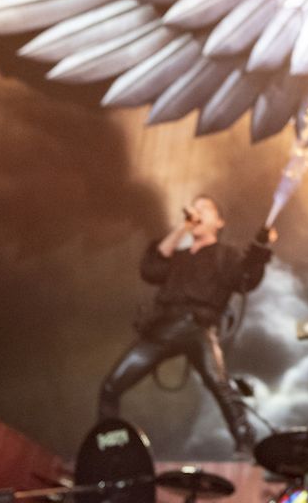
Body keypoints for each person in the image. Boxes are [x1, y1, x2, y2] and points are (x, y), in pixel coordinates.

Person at [98, 195, 275, 455]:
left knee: (220, 385)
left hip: (199, 327)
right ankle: (108, 447)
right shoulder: (178, 256)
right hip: (164, 328)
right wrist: (184, 227)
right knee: (111, 386)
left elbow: (245, 277)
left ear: (219, 222)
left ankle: (246, 445)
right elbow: (151, 269)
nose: (198, 211)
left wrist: (259, 251)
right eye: (195, 207)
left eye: (206, 208)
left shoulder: (226, 255)